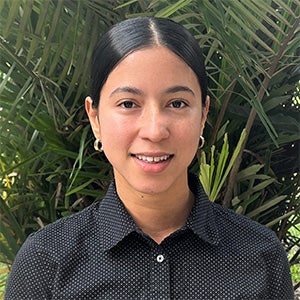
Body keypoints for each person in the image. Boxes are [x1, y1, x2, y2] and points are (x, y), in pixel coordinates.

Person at [5, 17, 294, 300]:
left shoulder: (260, 254)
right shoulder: (46, 261)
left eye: (177, 103)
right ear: (95, 118)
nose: (155, 131)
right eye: (128, 104)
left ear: (203, 114)